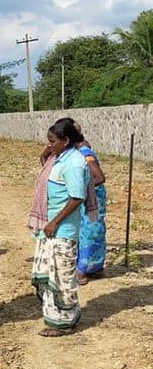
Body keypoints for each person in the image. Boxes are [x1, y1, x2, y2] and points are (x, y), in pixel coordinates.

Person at [28, 119, 93, 337]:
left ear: (65, 141)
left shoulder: (74, 163)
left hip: (61, 230)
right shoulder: (59, 158)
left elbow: (77, 197)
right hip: (51, 228)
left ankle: (65, 323)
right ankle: (55, 316)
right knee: (51, 274)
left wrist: (54, 222)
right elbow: (44, 159)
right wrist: (47, 150)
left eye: (52, 141)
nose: (49, 145)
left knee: (62, 276)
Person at [73, 122, 107, 285]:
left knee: (89, 232)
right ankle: (96, 267)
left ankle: (82, 270)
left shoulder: (85, 153)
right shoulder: (80, 151)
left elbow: (99, 177)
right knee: (92, 231)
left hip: (91, 199)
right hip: (89, 198)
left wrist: (81, 187)